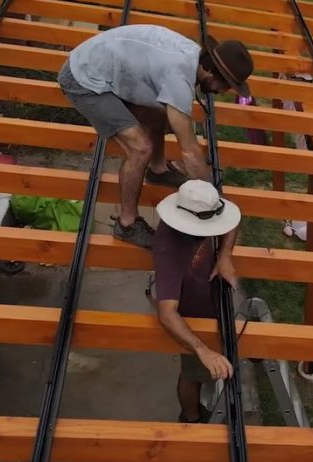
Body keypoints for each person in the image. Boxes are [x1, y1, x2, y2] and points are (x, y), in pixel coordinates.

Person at [57, 24, 254, 249]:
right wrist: (211, 199)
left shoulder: (191, 56)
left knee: (165, 111)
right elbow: (189, 151)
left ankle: (157, 170)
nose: (224, 91)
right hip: (84, 78)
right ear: (211, 71)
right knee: (140, 148)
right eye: (226, 85)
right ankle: (127, 224)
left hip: (101, 63)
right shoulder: (179, 78)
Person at [152, 179, 241, 423]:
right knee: (192, 374)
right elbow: (167, 313)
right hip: (191, 318)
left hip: (211, 301)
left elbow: (234, 218)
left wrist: (224, 255)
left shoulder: (202, 208)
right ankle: (191, 418)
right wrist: (203, 350)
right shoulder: (168, 249)